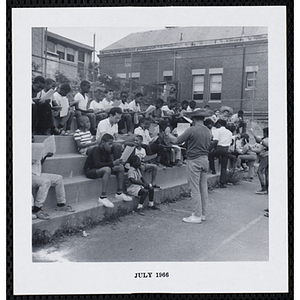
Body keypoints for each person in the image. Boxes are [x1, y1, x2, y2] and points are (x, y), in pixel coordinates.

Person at [170, 109, 212, 223]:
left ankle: (197, 215)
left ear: (193, 119)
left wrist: (167, 134)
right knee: (203, 188)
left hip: (194, 160)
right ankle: (203, 213)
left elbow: (177, 141)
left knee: (194, 188)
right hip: (205, 159)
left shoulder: (192, 130)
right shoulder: (208, 131)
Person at [84, 133, 132, 208]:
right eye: (109, 144)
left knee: (120, 167)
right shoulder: (96, 149)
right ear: (103, 142)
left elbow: (108, 163)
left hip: (100, 169)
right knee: (107, 169)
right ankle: (103, 196)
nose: (111, 146)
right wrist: (113, 163)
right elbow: (97, 164)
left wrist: (117, 163)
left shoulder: (106, 151)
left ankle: (119, 192)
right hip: (90, 170)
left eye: (112, 144)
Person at [32, 147, 75, 220]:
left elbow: (39, 163)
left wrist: (45, 156)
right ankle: (37, 209)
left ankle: (61, 205)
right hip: (28, 176)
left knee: (59, 178)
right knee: (45, 182)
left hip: (37, 174)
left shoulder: (35, 148)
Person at [212, 119, 233, 188]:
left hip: (219, 148)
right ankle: (222, 183)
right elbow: (230, 142)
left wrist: (212, 148)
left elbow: (215, 141)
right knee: (224, 166)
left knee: (210, 155)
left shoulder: (217, 131)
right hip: (226, 149)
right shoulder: (229, 132)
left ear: (219, 124)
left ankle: (213, 170)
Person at [250, 127, 269, 195]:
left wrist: (251, 149)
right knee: (267, 172)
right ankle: (267, 188)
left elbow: (259, 148)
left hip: (265, 156)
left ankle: (263, 188)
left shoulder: (265, 140)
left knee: (259, 171)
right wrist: (253, 134)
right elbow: (259, 140)